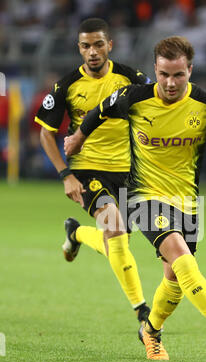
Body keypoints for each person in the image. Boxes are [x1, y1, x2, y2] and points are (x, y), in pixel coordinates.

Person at [64, 36, 206, 360]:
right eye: (164, 74)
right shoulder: (134, 97)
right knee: (180, 254)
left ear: (190, 70)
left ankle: (150, 331)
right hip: (143, 196)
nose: (170, 82)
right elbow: (99, 110)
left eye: (178, 74)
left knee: (175, 279)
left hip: (188, 201)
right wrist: (78, 136)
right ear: (155, 70)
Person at [35, 18, 152, 325]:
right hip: (88, 170)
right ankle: (143, 312)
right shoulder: (67, 85)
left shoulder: (131, 77)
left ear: (109, 45)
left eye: (99, 44)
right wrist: (66, 175)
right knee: (114, 228)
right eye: (86, 46)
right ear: (79, 48)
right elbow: (46, 133)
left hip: (128, 173)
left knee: (117, 242)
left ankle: (76, 233)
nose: (92, 52)